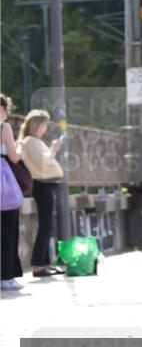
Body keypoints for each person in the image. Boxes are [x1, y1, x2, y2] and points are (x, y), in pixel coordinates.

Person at [18, 110, 65, 277]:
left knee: (47, 224)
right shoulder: (31, 141)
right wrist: (53, 149)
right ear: (37, 125)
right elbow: (43, 164)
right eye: (44, 125)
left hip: (45, 184)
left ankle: (45, 263)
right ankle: (38, 265)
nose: (46, 129)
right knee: (46, 224)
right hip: (41, 184)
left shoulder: (34, 141)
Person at [1, 94, 25, 292]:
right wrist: (18, 146)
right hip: (3, 182)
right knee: (8, 229)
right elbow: (14, 158)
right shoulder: (4, 127)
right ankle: (6, 277)